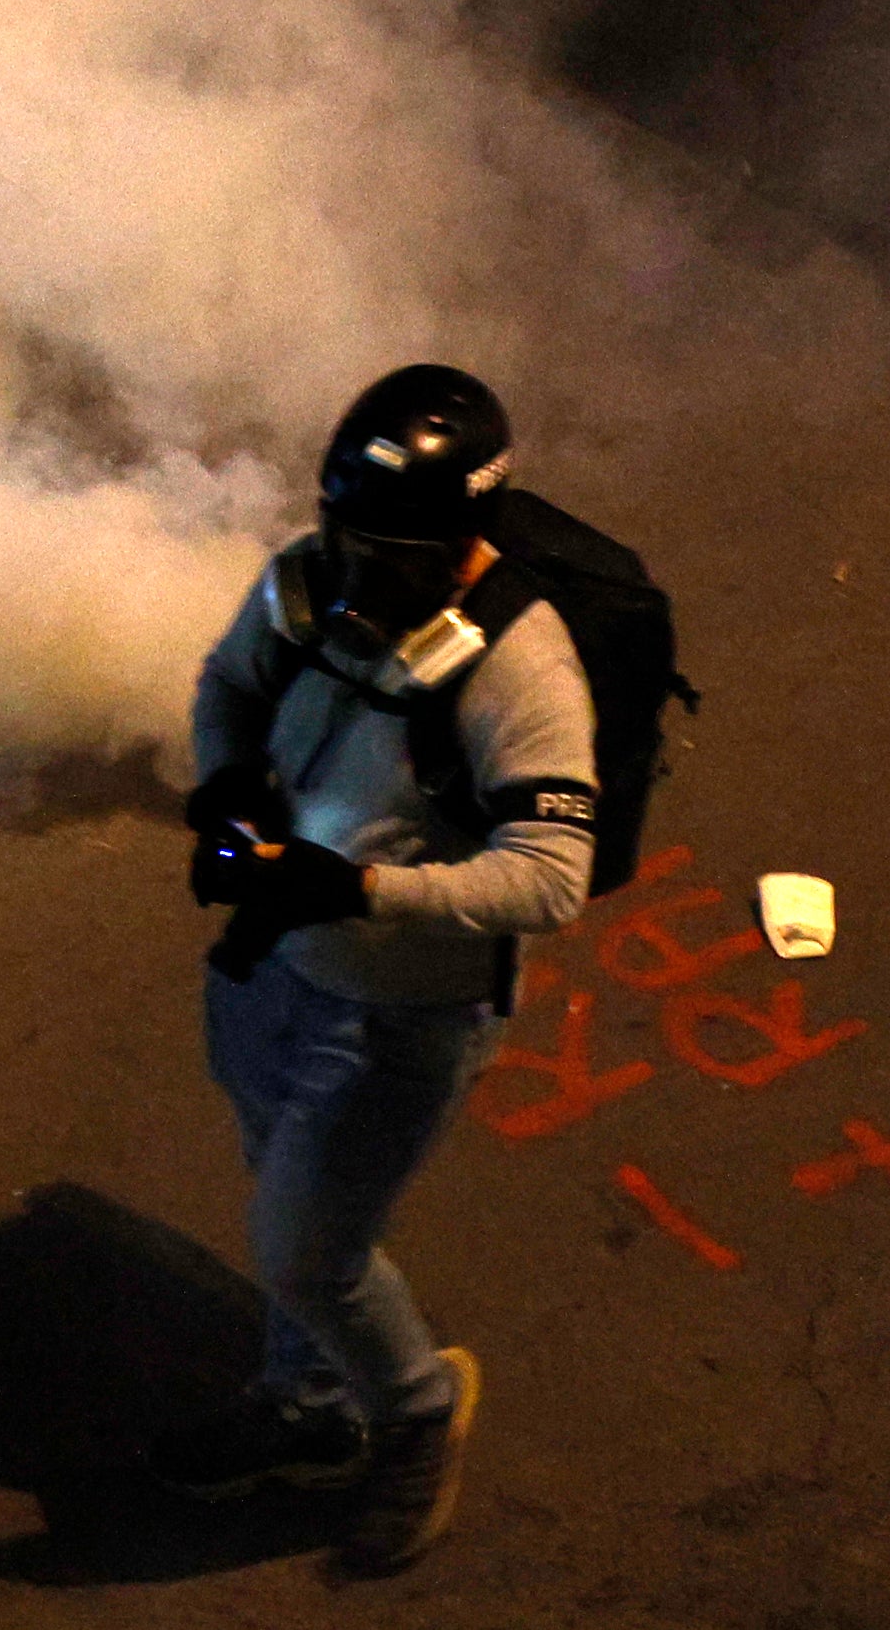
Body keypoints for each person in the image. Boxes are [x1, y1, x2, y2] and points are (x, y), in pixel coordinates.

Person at [156, 361, 600, 1577]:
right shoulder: (311, 583)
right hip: (268, 968)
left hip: (398, 1016)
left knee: (306, 1249)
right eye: (348, 541)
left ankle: (412, 1416)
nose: (359, 582)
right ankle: (306, 1411)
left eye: (395, 558)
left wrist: (360, 890)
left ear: (463, 538)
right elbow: (225, 684)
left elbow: (550, 876)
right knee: (281, 1205)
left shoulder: (522, 669)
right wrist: (226, 784)